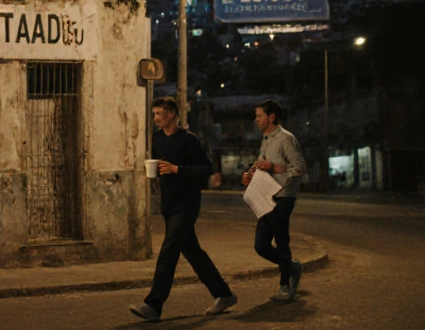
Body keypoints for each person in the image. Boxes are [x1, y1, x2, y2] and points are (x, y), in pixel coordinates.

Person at [130, 97, 237, 323]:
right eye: (154, 114)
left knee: (168, 252)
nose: (156, 118)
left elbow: (206, 168)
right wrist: (156, 171)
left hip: (187, 204)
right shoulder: (157, 139)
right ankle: (224, 294)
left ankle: (153, 305)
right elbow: (161, 167)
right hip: (168, 203)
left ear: (172, 114)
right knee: (193, 252)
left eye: (159, 113)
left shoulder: (188, 140)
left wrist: (177, 169)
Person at [241, 99, 307, 302]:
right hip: (266, 197)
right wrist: (250, 173)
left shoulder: (286, 138)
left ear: (271, 117)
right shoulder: (266, 139)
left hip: (283, 196)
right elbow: (262, 163)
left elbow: (300, 168)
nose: (256, 119)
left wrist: (275, 168)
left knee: (281, 240)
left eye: (260, 115)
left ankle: (285, 284)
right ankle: (292, 267)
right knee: (261, 245)